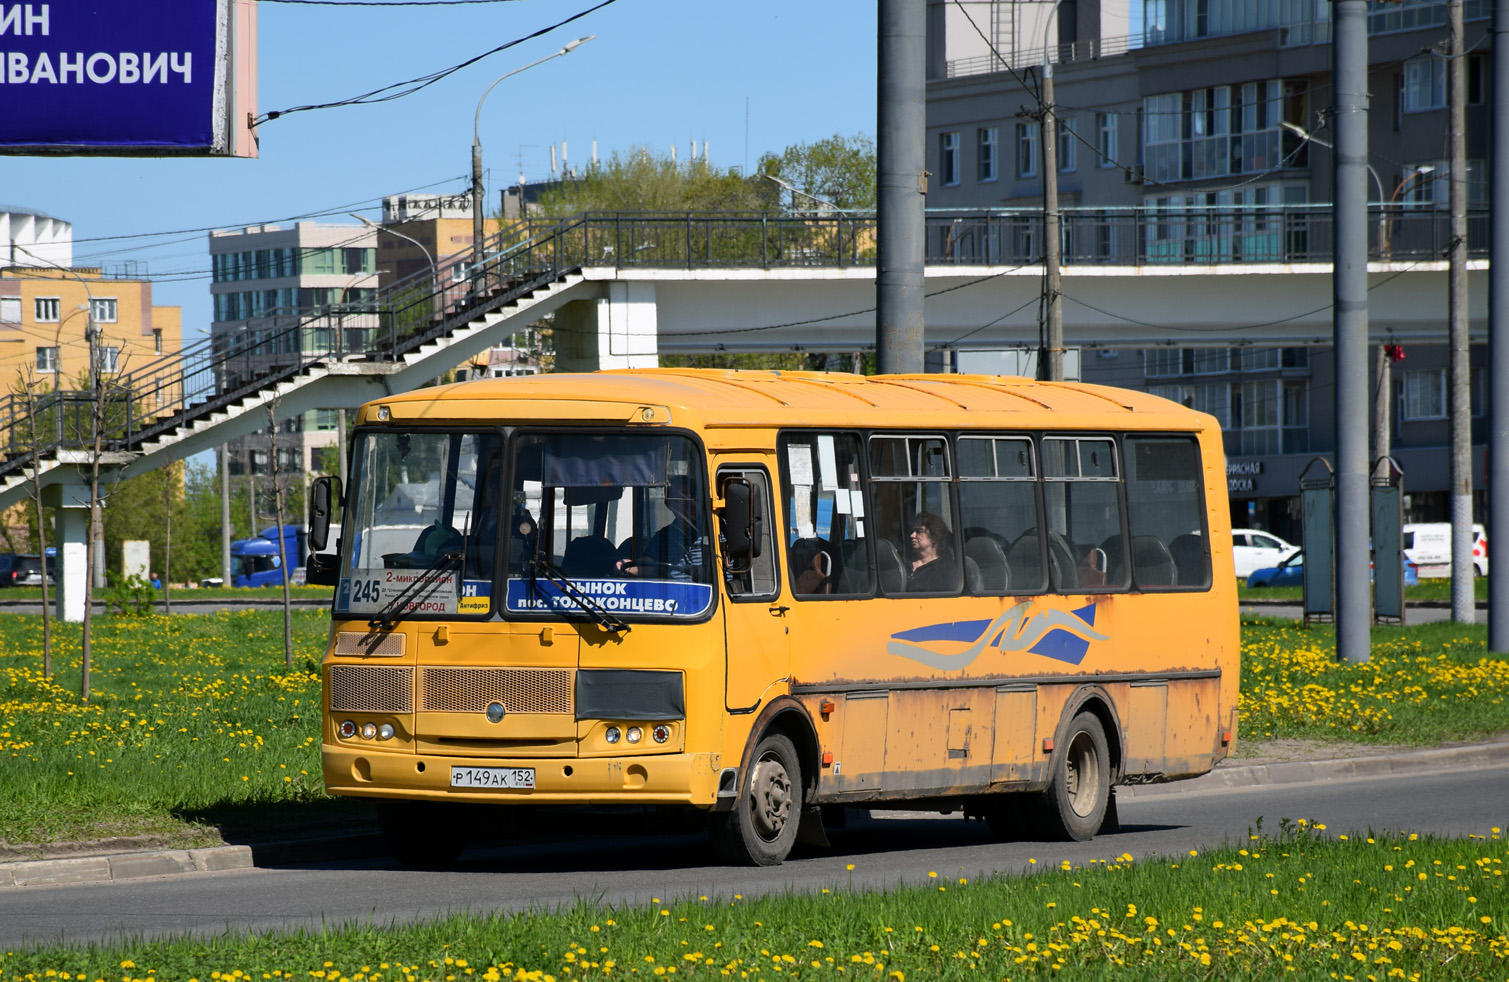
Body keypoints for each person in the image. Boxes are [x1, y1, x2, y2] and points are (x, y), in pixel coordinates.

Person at [617, 476, 705, 580]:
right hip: (672, 593)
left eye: (690, 497)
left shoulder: (719, 530)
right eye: (679, 499)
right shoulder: (664, 536)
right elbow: (650, 566)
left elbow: (726, 568)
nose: (687, 504)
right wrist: (629, 567)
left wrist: (707, 571)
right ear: (668, 504)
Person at [906, 512, 959, 592]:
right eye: (913, 531)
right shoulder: (901, 563)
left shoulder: (944, 572)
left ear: (934, 537)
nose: (912, 535)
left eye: (919, 531)